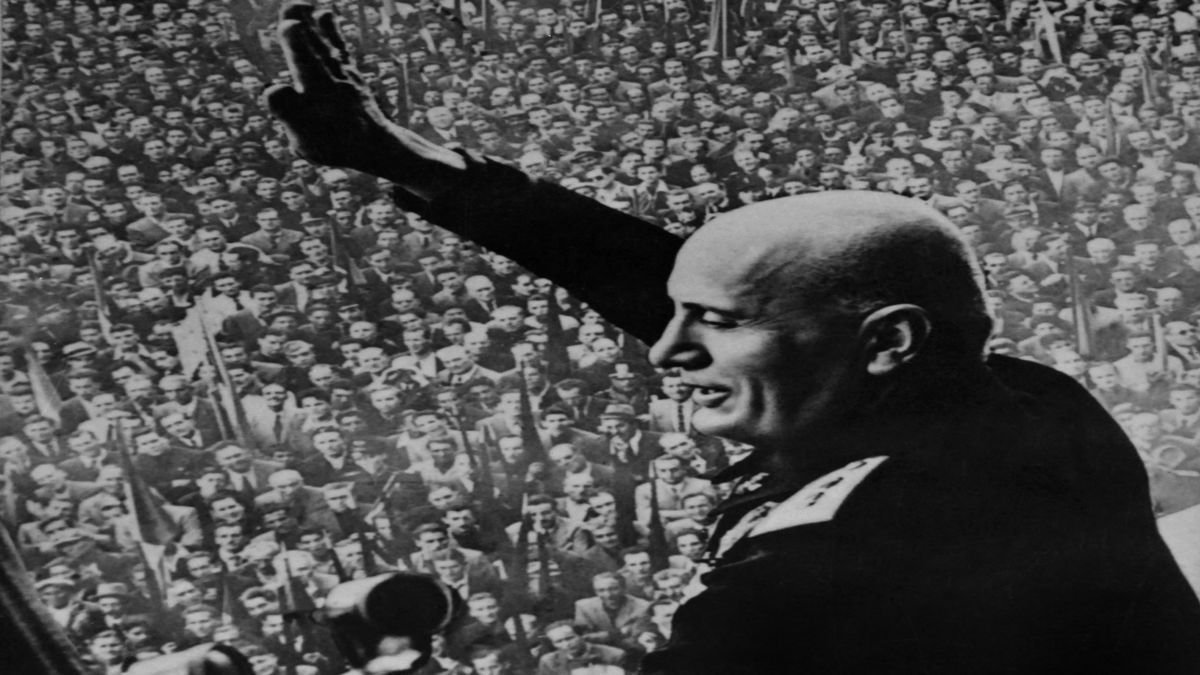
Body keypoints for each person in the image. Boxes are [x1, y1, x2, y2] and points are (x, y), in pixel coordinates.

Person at [266, 7, 1200, 674]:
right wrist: (413, 163)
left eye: (709, 326)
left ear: (887, 343)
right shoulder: (1030, 401)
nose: (663, 350)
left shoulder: (819, 562)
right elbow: (703, 283)